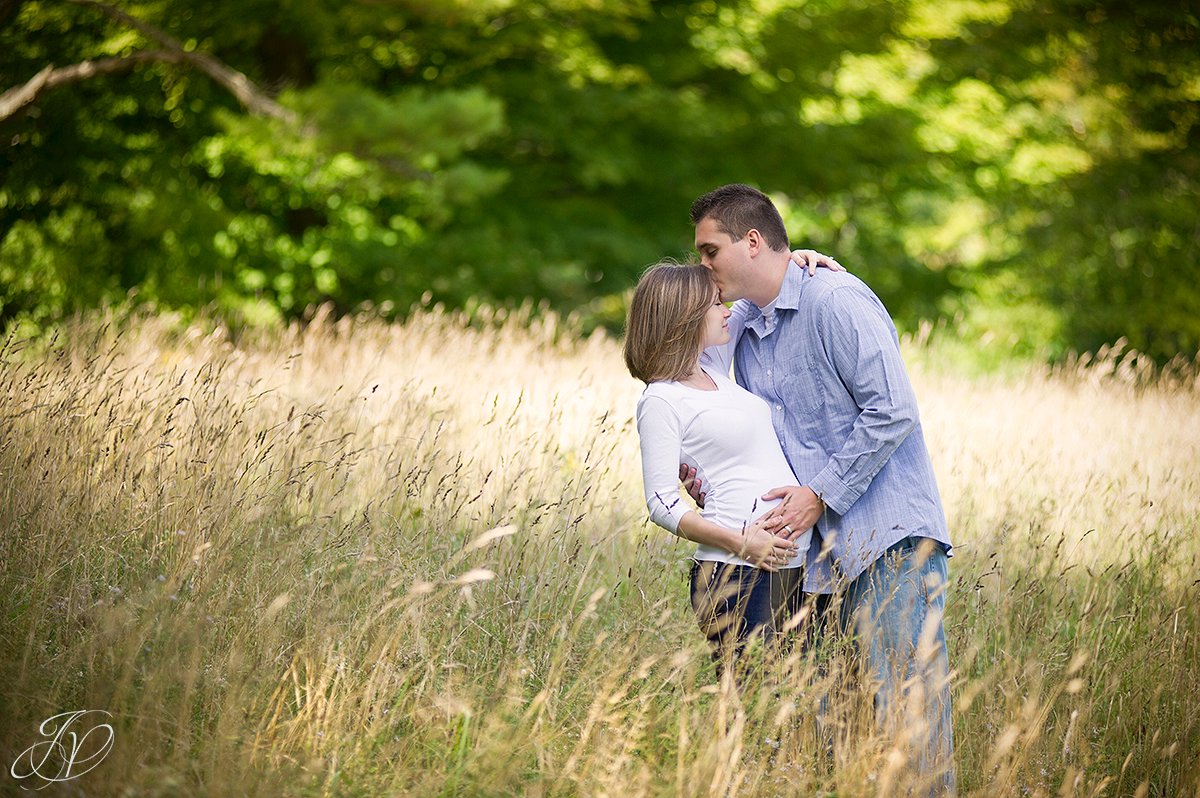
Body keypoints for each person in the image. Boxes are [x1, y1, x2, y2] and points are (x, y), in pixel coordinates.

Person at [687, 183, 955, 792]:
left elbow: (892, 410)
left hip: (887, 542)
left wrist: (820, 494)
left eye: (710, 251)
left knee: (908, 724)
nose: (703, 267)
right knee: (838, 732)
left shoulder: (836, 300)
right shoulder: (746, 325)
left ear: (752, 242)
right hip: (811, 561)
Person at [623, 256, 836, 681]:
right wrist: (742, 543)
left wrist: (793, 258)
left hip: (787, 565)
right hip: (736, 570)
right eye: (715, 305)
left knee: (783, 709)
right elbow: (661, 503)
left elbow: (760, 288)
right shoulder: (661, 400)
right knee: (750, 713)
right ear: (684, 318)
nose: (726, 310)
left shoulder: (713, 370)